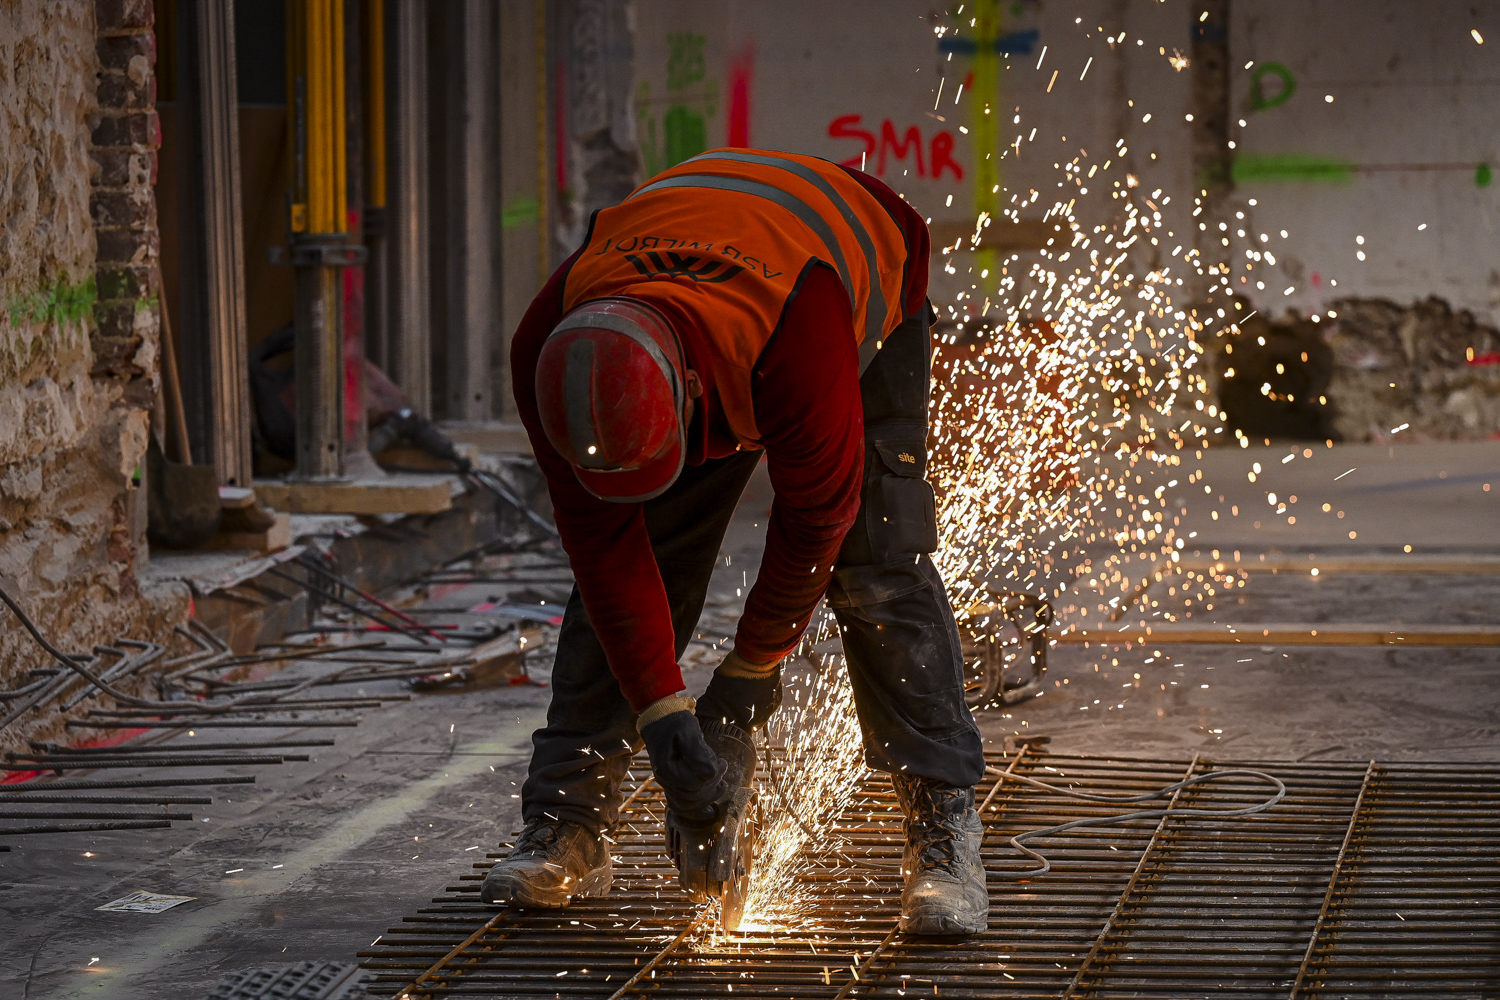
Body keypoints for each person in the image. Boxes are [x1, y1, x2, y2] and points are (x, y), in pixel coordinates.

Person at [483, 148, 988, 935]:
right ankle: (568, 819)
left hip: (837, 272)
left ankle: (944, 833)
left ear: (690, 394)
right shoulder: (545, 352)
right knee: (643, 554)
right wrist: (665, 718)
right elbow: (607, 555)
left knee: (876, 561)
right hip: (697, 295)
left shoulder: (799, 341)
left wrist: (745, 682)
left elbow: (812, 524)